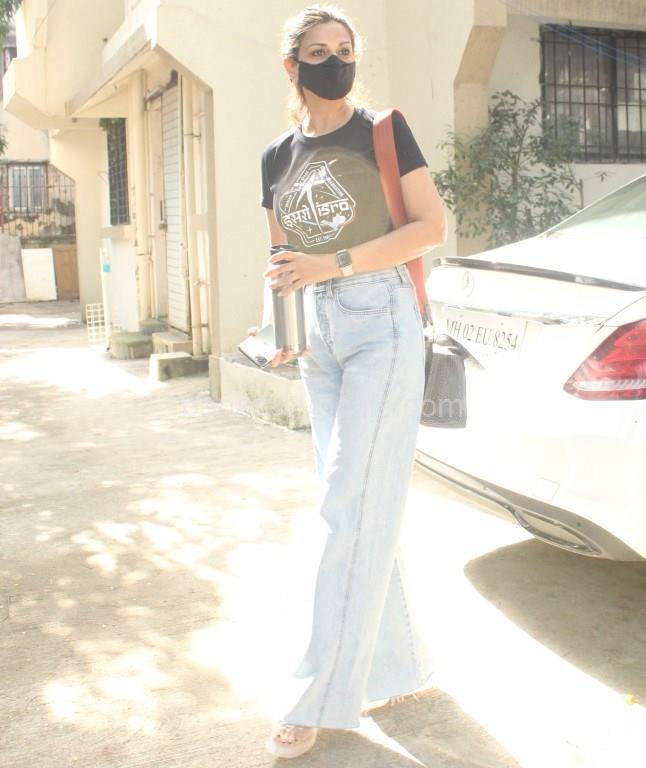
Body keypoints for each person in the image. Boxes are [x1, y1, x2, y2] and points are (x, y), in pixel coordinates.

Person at [253, 4, 447, 759]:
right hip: (319, 335)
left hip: (381, 323)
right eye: (318, 51)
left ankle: (316, 696)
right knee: (360, 505)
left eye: (344, 48)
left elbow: (429, 227)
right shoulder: (276, 156)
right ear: (292, 65)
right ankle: (399, 664)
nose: (334, 61)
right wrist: (279, 328)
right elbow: (281, 257)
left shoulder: (383, 131)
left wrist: (333, 264)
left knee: (345, 509)